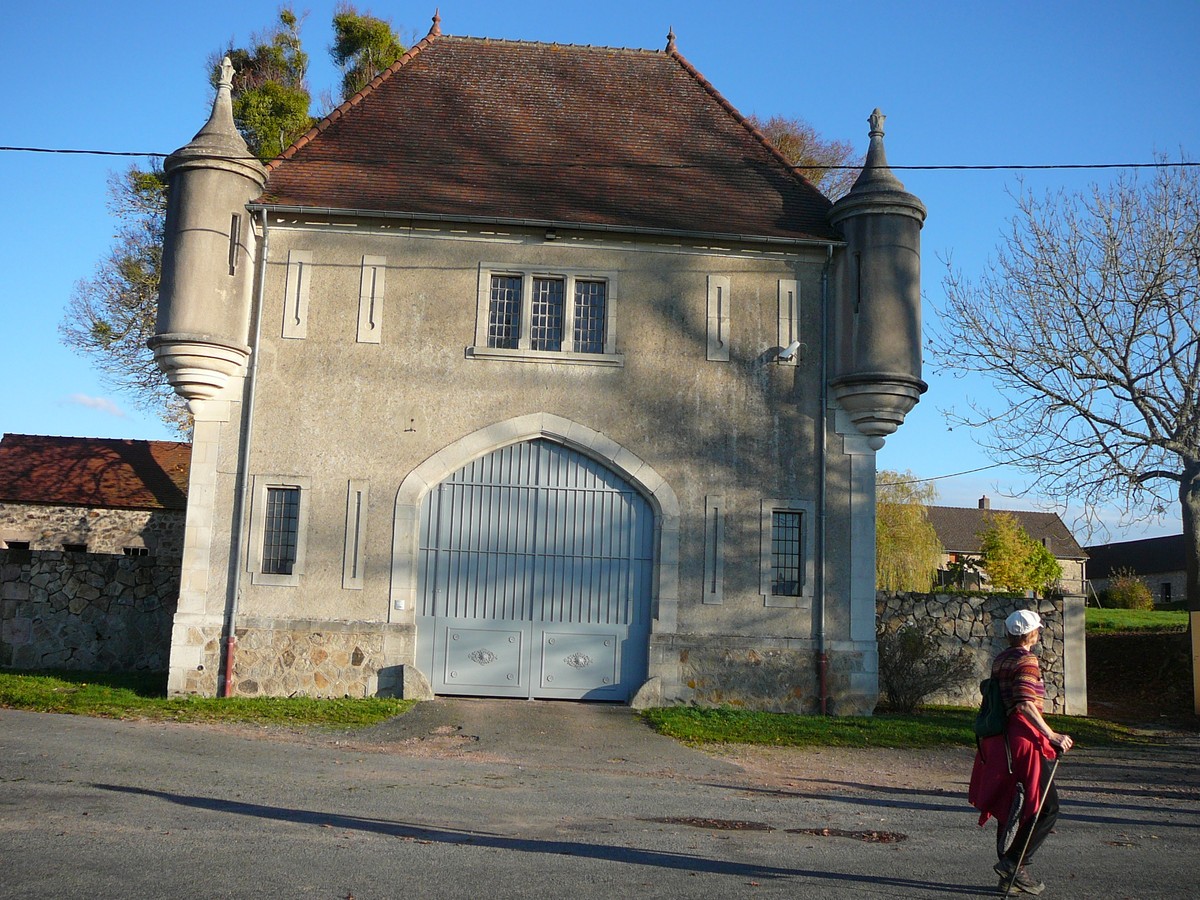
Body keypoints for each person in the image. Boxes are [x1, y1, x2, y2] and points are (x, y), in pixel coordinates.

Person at [968, 609, 1073, 895]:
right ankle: (1014, 863)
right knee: (1045, 806)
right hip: (1023, 737)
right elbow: (1026, 703)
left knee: (1012, 804)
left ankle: (1009, 877)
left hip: (1002, 739)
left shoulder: (1002, 658)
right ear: (1032, 634)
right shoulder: (1027, 660)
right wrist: (1052, 735)